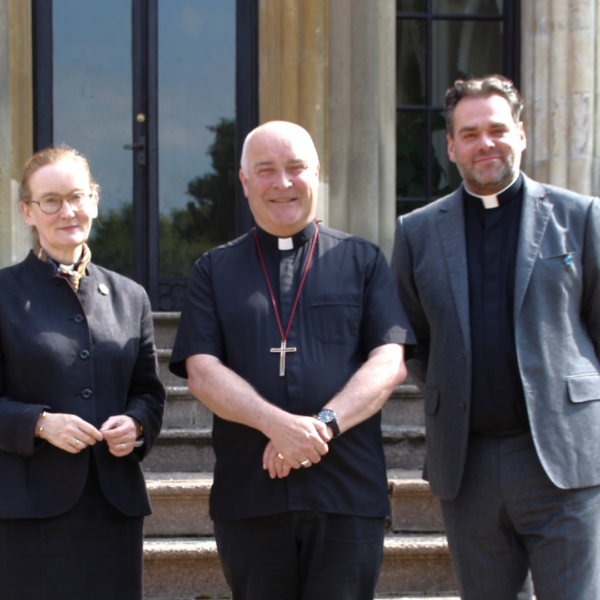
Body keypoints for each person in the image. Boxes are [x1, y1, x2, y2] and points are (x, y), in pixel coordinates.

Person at [170, 120, 414, 600]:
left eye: (296, 168)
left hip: (346, 490)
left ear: (316, 173)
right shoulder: (213, 270)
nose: (282, 183)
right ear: (244, 181)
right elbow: (201, 370)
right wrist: (275, 424)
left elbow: (390, 361)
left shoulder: (363, 261)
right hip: (251, 494)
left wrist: (319, 426)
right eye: (266, 170)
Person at [392, 74, 600, 600]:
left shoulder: (580, 217)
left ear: (521, 134)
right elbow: (413, 338)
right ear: (451, 146)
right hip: (469, 464)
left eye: (498, 130)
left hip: (564, 459)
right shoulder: (416, 233)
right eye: (470, 133)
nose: (486, 143)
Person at [0, 147, 165, 600]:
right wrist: (38, 422)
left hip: (113, 509)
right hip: (29, 511)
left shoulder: (131, 297)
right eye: (50, 200)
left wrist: (135, 425)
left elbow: (149, 395)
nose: (67, 211)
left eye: (77, 196)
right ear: (27, 212)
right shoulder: (3, 293)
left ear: (94, 200)